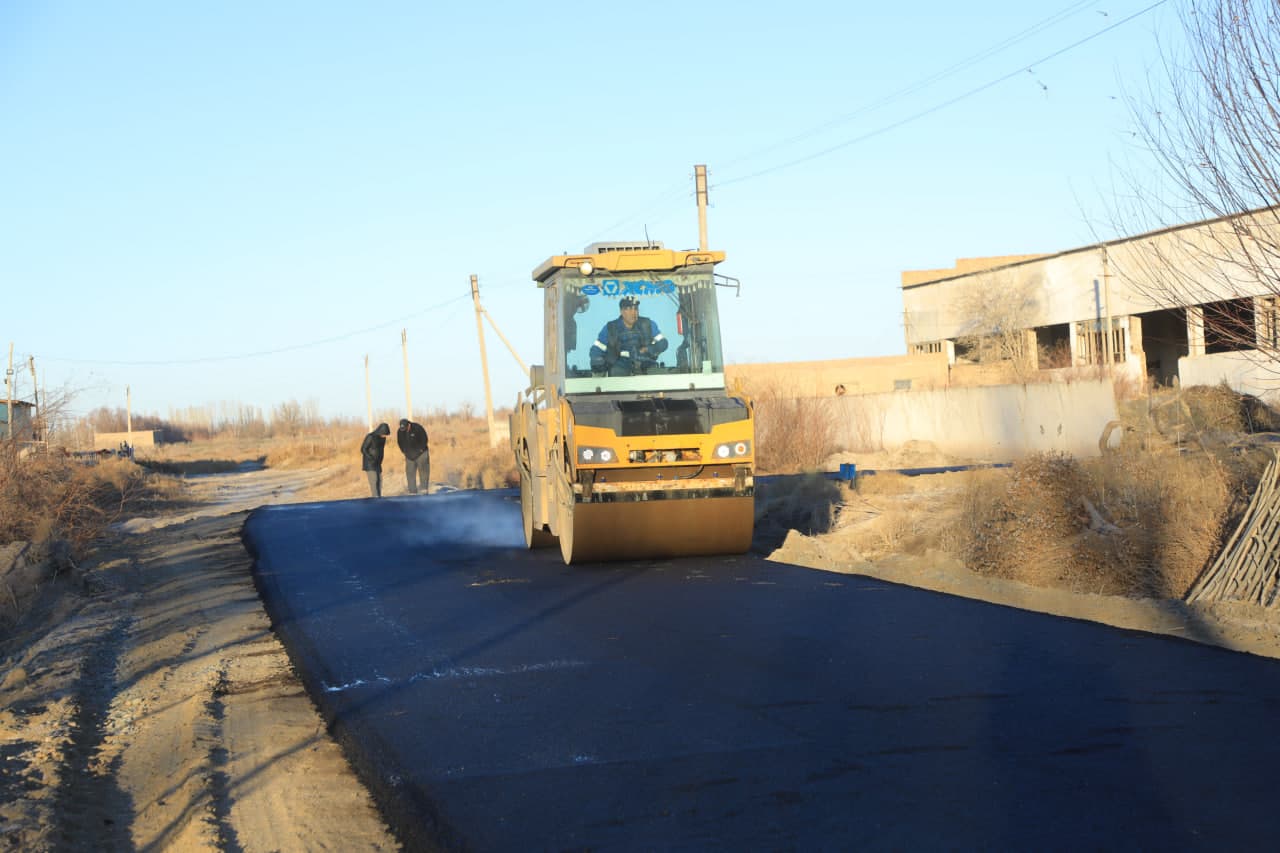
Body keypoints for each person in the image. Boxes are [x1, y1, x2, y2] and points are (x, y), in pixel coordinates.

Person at [589, 296, 669, 375]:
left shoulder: (648, 324)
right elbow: (597, 349)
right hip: (620, 364)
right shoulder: (611, 328)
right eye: (629, 309)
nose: (633, 313)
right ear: (622, 311)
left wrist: (648, 349)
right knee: (616, 374)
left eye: (636, 309)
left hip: (646, 362)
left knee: (656, 374)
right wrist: (597, 363)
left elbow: (663, 343)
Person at [397, 417, 431, 495]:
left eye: (405, 428)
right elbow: (400, 442)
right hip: (409, 455)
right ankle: (412, 492)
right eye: (402, 428)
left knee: (423, 472)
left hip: (421, 454)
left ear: (408, 425)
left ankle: (424, 490)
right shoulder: (400, 431)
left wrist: (420, 450)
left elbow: (424, 439)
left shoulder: (417, 428)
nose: (403, 430)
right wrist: (404, 452)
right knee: (410, 473)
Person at [360, 422, 391, 497]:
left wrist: (380, 460)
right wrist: (371, 458)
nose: (385, 436)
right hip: (370, 463)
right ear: (380, 431)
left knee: (380, 481)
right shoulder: (370, 436)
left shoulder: (383, 438)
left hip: (378, 463)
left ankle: (379, 498)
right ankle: (375, 500)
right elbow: (363, 449)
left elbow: (380, 450)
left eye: (386, 434)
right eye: (384, 434)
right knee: (374, 481)